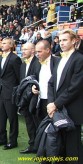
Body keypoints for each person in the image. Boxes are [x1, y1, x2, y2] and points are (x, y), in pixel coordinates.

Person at [47, 29, 83, 164]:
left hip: (72, 111)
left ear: (74, 41)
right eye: (60, 40)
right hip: (57, 110)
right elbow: (51, 83)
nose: (61, 43)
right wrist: (51, 104)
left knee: (73, 148)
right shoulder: (60, 59)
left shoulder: (80, 59)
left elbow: (75, 87)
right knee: (60, 146)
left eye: (65, 40)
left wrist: (55, 104)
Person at [0, 37, 21, 150]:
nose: (1, 44)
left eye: (4, 43)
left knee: (12, 118)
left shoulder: (15, 59)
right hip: (1, 92)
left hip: (11, 94)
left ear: (10, 45)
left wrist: (16, 93)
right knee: (0, 116)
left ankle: (13, 141)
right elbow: (0, 76)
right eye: (1, 43)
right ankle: (1, 138)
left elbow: (19, 77)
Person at [32, 40, 60, 125]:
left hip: (53, 101)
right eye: (37, 52)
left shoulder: (58, 62)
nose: (37, 54)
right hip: (40, 100)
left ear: (48, 50)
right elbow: (35, 78)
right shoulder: (37, 63)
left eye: (40, 51)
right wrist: (33, 86)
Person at [19, 43, 39, 154]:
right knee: (29, 123)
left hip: (36, 99)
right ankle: (32, 145)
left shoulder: (38, 63)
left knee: (37, 123)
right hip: (25, 99)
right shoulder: (22, 65)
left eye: (25, 49)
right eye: (22, 49)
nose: (23, 51)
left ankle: (39, 147)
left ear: (33, 50)